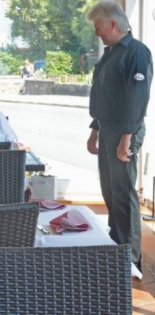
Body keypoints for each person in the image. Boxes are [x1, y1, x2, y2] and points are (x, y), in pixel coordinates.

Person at [86, 0, 153, 271]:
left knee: (123, 194)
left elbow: (136, 99)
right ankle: (116, 246)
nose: (96, 33)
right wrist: (95, 129)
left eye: (98, 27)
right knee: (109, 191)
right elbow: (104, 95)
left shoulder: (136, 52)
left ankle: (130, 260)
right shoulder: (111, 52)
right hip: (108, 127)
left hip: (125, 130)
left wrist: (126, 137)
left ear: (113, 24)